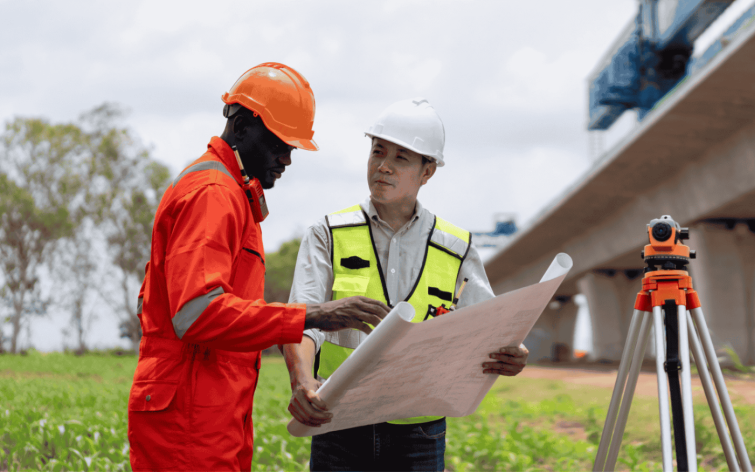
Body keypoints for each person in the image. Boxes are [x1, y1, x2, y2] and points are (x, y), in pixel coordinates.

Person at [127, 63, 391, 471]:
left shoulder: (232, 194)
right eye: (280, 143)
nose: (287, 158)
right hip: (188, 423)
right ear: (245, 126)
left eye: (292, 148)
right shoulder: (213, 194)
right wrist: (316, 314)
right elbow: (196, 314)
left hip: (210, 413)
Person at [282, 98, 529, 471]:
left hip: (419, 431)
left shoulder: (456, 247)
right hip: (339, 422)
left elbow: (488, 327)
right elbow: (301, 318)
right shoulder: (328, 234)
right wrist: (301, 378)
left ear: (427, 171)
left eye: (401, 157)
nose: (383, 166)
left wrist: (513, 352)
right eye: (377, 152)